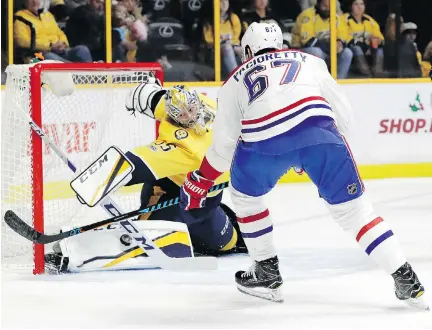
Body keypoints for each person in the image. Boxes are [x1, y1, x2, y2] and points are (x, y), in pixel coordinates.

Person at [179, 22, 428, 310]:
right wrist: (311, 149)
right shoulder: (312, 61)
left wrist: (200, 180)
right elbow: (344, 116)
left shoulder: (234, 80)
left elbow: (224, 146)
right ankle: (406, 279)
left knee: (246, 199)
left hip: (263, 142)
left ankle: (267, 273)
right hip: (321, 134)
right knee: (356, 212)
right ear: (281, 45)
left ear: (247, 50)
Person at [44, 81, 246, 274]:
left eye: (192, 110)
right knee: (144, 241)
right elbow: (138, 162)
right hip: (170, 197)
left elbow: (156, 99)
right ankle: (77, 252)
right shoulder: (181, 145)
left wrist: (143, 94)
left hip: (207, 204)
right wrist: (98, 180)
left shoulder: (209, 106)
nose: (190, 116)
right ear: (174, 117)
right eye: (182, 115)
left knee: (228, 243)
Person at [14, 0, 92, 63]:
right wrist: (50, 46)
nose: (35, 1)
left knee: (82, 50)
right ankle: (76, 71)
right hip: (36, 56)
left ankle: (91, 75)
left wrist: (63, 43)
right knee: (49, 58)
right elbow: (23, 41)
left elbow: (60, 33)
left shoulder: (47, 15)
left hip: (59, 51)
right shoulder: (20, 17)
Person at [291, 0, 352, 79]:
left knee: (347, 53)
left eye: (329, 6)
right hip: (301, 51)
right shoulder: (307, 15)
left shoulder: (335, 16)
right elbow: (308, 42)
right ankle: (320, 81)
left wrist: (339, 43)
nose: (327, 9)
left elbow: (343, 34)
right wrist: (332, 46)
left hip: (327, 51)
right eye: (324, 6)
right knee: (316, 52)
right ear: (318, 4)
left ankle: (339, 82)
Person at [342, 0, 384, 77]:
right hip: (353, 48)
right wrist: (363, 46)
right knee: (357, 48)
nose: (359, 7)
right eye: (356, 4)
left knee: (380, 50)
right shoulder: (344, 18)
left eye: (362, 4)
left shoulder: (369, 19)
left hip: (368, 49)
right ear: (351, 6)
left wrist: (378, 40)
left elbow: (378, 35)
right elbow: (345, 38)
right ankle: (367, 75)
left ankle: (378, 75)